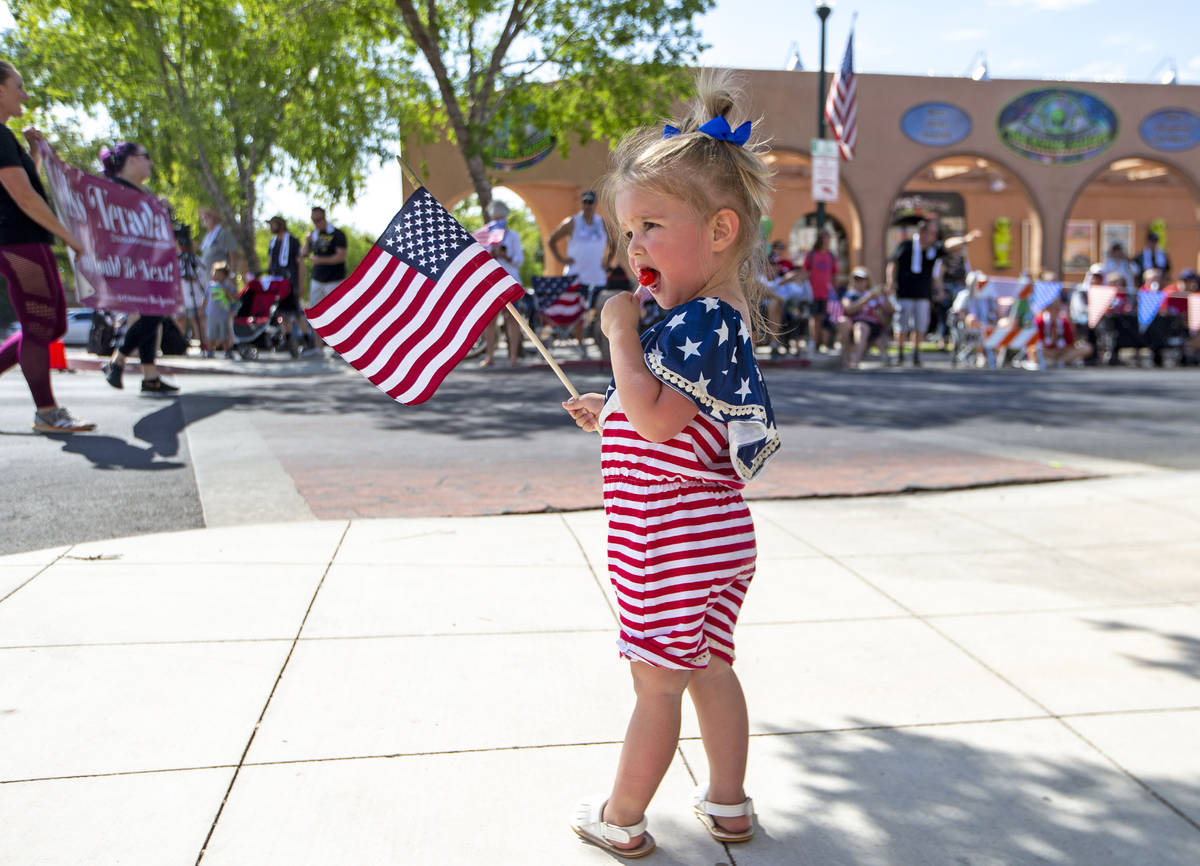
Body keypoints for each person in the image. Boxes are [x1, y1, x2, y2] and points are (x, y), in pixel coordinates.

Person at [561, 70, 780, 858]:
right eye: (628, 233)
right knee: (711, 668)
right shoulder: (710, 322)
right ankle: (727, 804)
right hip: (716, 535)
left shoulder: (691, 325)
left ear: (719, 233)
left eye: (652, 224)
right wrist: (609, 406)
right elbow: (663, 415)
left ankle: (620, 816)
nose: (635, 247)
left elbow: (655, 419)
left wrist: (619, 335)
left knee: (656, 683)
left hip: (669, 540)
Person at [0, 61, 94, 432]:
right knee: (40, 325)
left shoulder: (7, 138)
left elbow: (26, 186)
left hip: (28, 241)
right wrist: (70, 237)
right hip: (18, 244)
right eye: (18, 86)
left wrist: (34, 155)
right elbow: (23, 198)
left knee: (51, 323)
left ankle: (48, 411)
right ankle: (47, 412)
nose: (25, 94)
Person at [99, 141, 179, 394]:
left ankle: (150, 376)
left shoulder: (145, 194)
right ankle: (117, 360)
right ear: (131, 159)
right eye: (146, 156)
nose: (150, 162)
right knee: (154, 312)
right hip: (127, 267)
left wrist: (161, 209)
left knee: (152, 314)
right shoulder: (114, 191)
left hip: (149, 267)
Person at [886, 217, 981, 367]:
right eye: (931, 233)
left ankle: (916, 353)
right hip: (904, 292)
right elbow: (893, 263)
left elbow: (947, 246)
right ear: (923, 233)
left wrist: (965, 239)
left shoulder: (932, 250)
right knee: (901, 325)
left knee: (920, 325)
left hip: (923, 294)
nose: (934, 236)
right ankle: (900, 353)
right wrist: (890, 283)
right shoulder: (906, 245)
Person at [477, 199, 526, 367]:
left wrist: (506, 256)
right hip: (492, 283)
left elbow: (519, 260)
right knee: (490, 320)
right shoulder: (485, 236)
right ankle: (489, 356)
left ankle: (513, 356)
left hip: (511, 282)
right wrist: (492, 254)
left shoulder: (512, 236)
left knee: (513, 319)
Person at [300, 205, 347, 355]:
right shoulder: (313, 235)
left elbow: (341, 256)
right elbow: (304, 253)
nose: (316, 223)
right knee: (315, 314)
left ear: (324, 218)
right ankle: (317, 347)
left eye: (318, 220)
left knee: (336, 314)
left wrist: (320, 260)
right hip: (317, 280)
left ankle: (339, 349)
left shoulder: (337, 234)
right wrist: (307, 241)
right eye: (313, 220)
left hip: (334, 280)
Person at [839, 266, 894, 369]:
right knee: (845, 322)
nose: (860, 282)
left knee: (861, 327)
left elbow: (890, 310)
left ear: (868, 280)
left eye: (862, 279)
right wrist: (866, 299)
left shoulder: (874, 294)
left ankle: (855, 360)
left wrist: (886, 296)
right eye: (857, 279)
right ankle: (847, 357)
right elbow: (848, 309)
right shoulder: (850, 295)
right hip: (854, 323)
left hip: (872, 325)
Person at [265, 215, 304, 352]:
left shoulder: (293, 241)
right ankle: (287, 339)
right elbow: (271, 262)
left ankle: (305, 338)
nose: (271, 227)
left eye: (273, 224)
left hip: (290, 281)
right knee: (281, 312)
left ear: (280, 224)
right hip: (277, 281)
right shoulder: (273, 242)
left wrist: (301, 284)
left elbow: (300, 263)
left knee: (296, 312)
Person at [803, 228, 837, 351]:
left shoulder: (831, 256)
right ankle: (814, 341)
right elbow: (805, 272)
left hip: (827, 294)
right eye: (826, 238)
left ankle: (825, 343)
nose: (828, 241)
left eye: (829, 238)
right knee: (814, 318)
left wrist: (835, 291)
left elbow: (834, 275)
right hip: (814, 293)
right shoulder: (811, 254)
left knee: (826, 320)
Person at [1035, 293, 1089, 368]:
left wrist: (1061, 349)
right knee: (1035, 350)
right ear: (1047, 309)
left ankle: (1059, 361)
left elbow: (1070, 342)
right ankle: (1058, 361)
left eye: (1058, 308)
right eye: (1053, 308)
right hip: (1047, 350)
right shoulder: (1039, 321)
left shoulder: (1064, 321)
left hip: (1062, 351)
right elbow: (1037, 342)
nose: (1056, 311)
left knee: (1086, 348)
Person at [175, 230, 206, 351]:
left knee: (196, 320)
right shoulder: (176, 260)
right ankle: (179, 345)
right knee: (179, 320)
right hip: (180, 296)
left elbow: (202, 278)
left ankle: (203, 344)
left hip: (195, 296)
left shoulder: (196, 260)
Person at [203, 261, 239, 358]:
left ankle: (227, 351)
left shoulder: (228, 286)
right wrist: (202, 310)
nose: (216, 275)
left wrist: (225, 290)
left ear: (225, 275)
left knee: (224, 334)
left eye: (219, 274)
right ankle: (210, 351)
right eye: (214, 273)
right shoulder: (210, 286)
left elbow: (234, 298)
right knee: (211, 334)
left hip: (224, 314)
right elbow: (205, 299)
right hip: (211, 314)